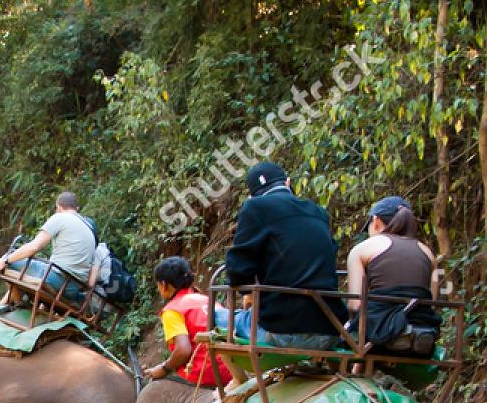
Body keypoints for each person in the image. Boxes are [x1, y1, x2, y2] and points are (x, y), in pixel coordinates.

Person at [214, 162, 343, 349]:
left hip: (282, 331)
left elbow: (237, 272)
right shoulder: (318, 212)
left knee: (213, 314)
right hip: (330, 330)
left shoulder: (255, 207)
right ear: (288, 183)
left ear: (251, 196)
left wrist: (249, 290)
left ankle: (236, 378)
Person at [344, 196, 441, 356]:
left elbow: (355, 305)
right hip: (422, 327)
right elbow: (432, 306)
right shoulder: (428, 253)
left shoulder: (363, 249)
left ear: (375, 221)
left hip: (380, 330)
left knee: (350, 329)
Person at [143, 256, 232, 387]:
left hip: (205, 373)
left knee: (154, 386)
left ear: (163, 285)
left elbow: (183, 351)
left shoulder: (172, 310)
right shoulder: (207, 300)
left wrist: (164, 368)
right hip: (230, 370)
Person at [0, 191, 96, 301]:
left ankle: (17, 303)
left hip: (56, 279)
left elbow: (33, 247)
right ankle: (8, 305)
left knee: (9, 262)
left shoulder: (60, 218)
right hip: (73, 288)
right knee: (27, 267)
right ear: (77, 208)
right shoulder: (89, 228)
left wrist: (5, 260)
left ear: (58, 207)